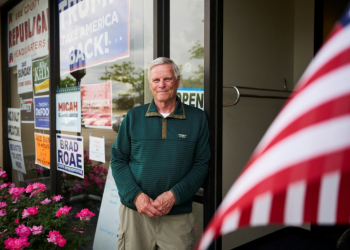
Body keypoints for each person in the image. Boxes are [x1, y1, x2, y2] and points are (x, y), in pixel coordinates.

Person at [111, 57, 210, 249]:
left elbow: (202, 164)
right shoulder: (133, 117)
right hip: (136, 214)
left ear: (177, 81)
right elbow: (118, 160)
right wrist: (136, 196)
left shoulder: (197, 118)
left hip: (177, 216)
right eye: (156, 80)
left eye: (167, 79)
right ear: (150, 84)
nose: (161, 85)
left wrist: (174, 195)